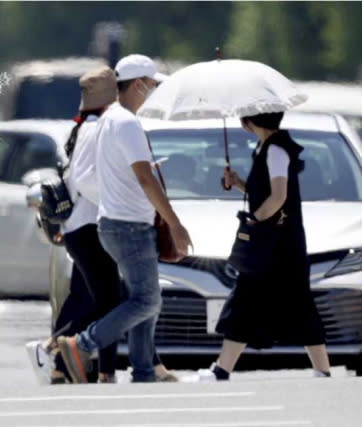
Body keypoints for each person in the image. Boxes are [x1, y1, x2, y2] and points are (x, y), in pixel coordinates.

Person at [25, 66, 176, 385]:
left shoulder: (89, 126)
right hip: (90, 226)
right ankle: (64, 355)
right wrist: (118, 194)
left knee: (105, 298)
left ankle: (76, 364)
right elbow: (84, 179)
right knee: (117, 300)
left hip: (87, 226)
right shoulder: (98, 127)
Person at [55, 54, 192, 384]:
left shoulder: (108, 119)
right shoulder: (127, 123)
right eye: (152, 84)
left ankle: (144, 370)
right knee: (147, 300)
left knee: (142, 298)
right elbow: (146, 179)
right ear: (138, 84)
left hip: (115, 223)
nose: (154, 90)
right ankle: (80, 345)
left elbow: (120, 174)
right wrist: (174, 223)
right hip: (130, 226)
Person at [201, 112, 331, 381]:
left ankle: (222, 370)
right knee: (255, 299)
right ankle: (222, 369)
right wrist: (238, 183)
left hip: (278, 243)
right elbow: (266, 192)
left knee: (276, 299)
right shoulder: (266, 147)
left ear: (250, 122)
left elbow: (279, 196)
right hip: (278, 241)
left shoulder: (276, 150)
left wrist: (254, 221)